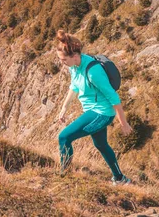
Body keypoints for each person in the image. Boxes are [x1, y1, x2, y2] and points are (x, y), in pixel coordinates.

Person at [56, 29, 133, 185]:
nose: (62, 63)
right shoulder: (74, 67)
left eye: (64, 60)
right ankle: (120, 179)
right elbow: (74, 86)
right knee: (101, 144)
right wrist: (64, 108)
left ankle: (64, 176)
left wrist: (123, 123)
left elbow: (113, 97)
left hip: (102, 113)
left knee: (64, 137)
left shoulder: (93, 72)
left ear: (75, 56)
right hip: (93, 110)